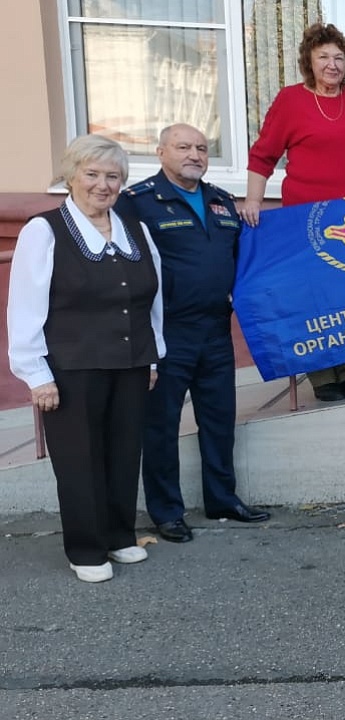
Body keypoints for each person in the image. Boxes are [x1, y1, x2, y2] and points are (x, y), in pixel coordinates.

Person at [7, 135, 165, 582]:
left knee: (122, 452)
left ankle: (118, 536)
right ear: (71, 177)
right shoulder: (45, 229)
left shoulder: (135, 229)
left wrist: (153, 358)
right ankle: (85, 548)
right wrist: (36, 373)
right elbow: (25, 305)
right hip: (71, 368)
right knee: (79, 459)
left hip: (131, 362)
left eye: (112, 176)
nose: (103, 185)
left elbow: (153, 298)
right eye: (92, 174)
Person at [116, 124, 270, 544]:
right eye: (183, 147)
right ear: (161, 151)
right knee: (162, 425)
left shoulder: (220, 201)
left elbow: (241, 259)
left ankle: (223, 499)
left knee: (219, 419)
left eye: (202, 148)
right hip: (166, 332)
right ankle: (167, 512)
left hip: (215, 328)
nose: (195, 155)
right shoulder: (137, 203)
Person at [240, 22, 345, 402]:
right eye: (323, 56)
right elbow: (263, 155)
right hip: (305, 222)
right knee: (316, 299)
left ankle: (344, 370)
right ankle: (323, 377)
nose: (332, 64)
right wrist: (254, 200)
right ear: (309, 61)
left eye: (339, 57)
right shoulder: (291, 100)